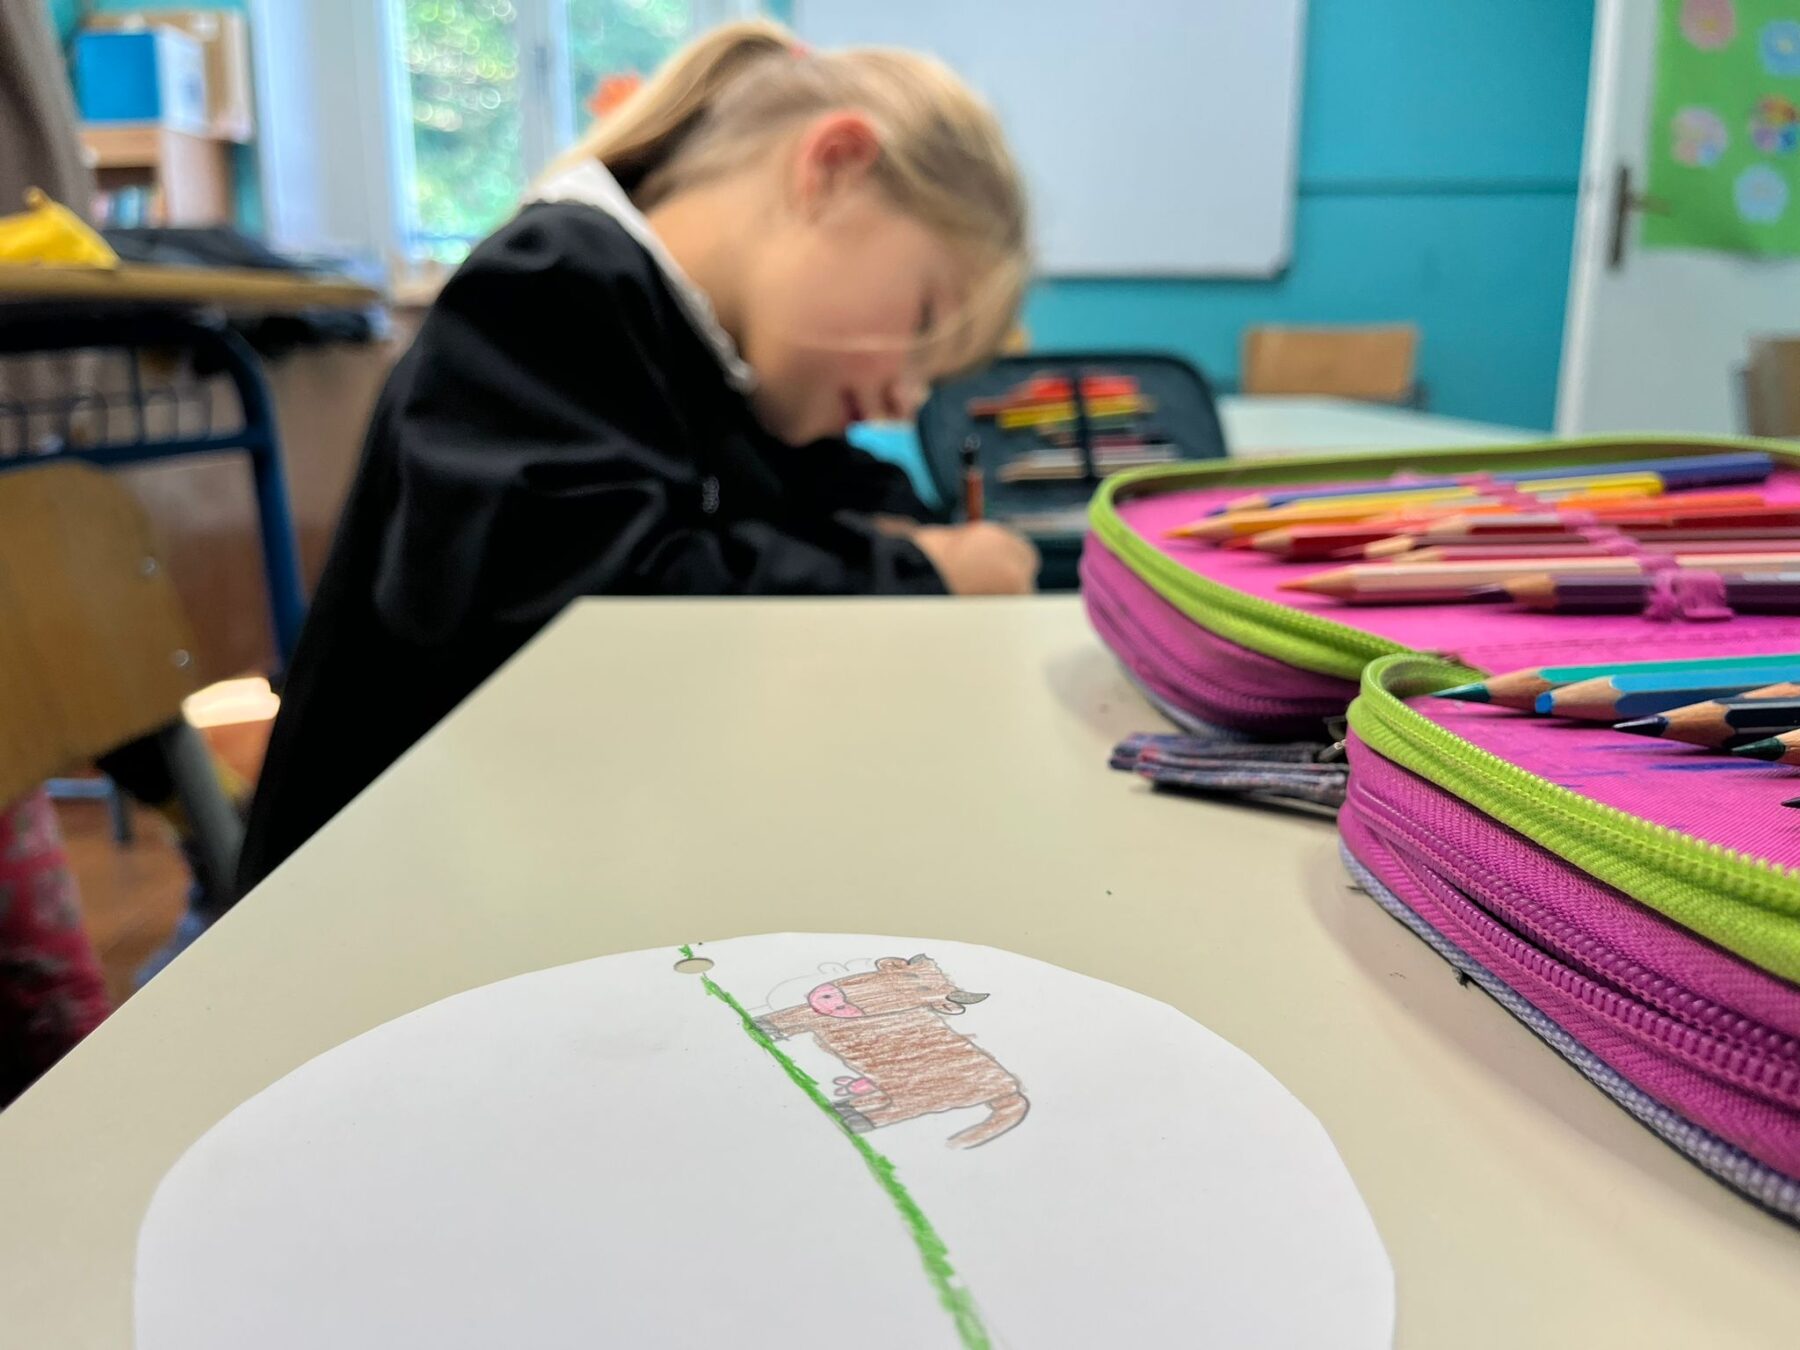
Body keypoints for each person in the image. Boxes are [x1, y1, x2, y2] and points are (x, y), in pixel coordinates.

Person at [238, 20, 1036, 889]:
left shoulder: (731, 372)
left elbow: (837, 498)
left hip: (546, 865)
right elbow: (590, 625)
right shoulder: (551, 285)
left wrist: (911, 544)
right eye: (920, 324)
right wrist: (922, 571)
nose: (904, 400)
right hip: (377, 896)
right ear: (835, 168)